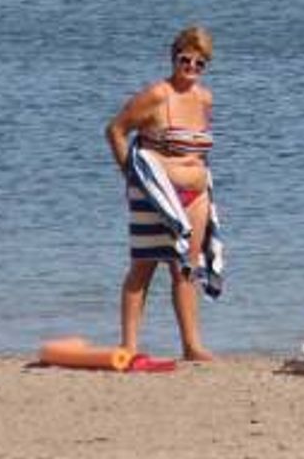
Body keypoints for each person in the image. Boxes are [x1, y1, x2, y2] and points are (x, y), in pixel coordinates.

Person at [106, 26, 220, 361]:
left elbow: (197, 150)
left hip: (195, 195)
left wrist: (201, 182)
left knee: (186, 268)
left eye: (200, 63)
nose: (192, 67)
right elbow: (115, 130)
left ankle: (192, 345)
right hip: (155, 195)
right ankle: (128, 345)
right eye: (186, 60)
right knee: (144, 266)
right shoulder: (157, 95)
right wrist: (132, 174)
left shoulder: (205, 98)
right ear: (174, 58)